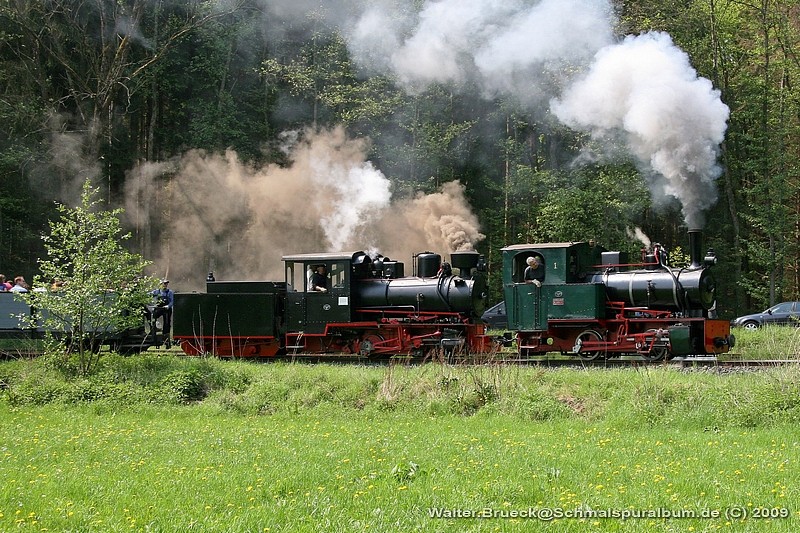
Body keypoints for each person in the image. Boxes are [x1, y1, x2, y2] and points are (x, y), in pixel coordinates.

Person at [147, 279, 174, 347]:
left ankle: (166, 339)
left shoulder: (170, 292)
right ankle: (154, 332)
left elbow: (172, 301)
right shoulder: (156, 292)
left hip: (166, 309)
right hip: (159, 308)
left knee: (167, 323)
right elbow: (148, 295)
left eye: (166, 284)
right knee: (153, 318)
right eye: (164, 284)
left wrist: (168, 306)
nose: (165, 285)